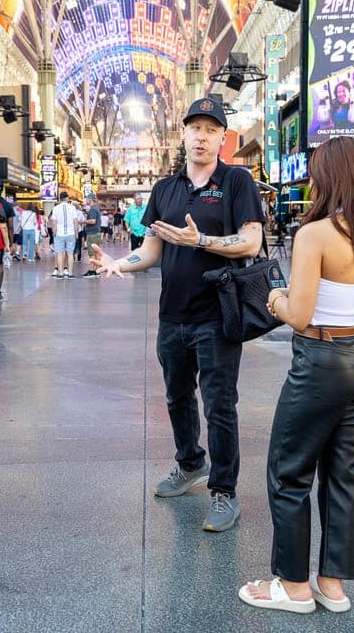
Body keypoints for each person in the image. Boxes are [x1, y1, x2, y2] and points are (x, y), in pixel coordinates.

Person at [90, 98, 265, 532]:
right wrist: (118, 263)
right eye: (195, 128)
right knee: (177, 397)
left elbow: (251, 243)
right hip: (173, 316)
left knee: (220, 405)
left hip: (218, 315)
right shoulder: (165, 190)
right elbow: (150, 250)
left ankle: (224, 490)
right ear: (183, 134)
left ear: (222, 138)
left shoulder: (236, 181)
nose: (202, 136)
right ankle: (190, 464)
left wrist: (200, 240)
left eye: (211, 129)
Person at [238, 136, 354, 615]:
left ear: (328, 177)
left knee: (288, 470)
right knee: (344, 474)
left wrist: (272, 297)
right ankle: (332, 585)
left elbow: (298, 315)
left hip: (321, 364)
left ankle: (294, 586)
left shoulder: (315, 234)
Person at [50, 191, 78, 279]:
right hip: (70, 233)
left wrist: (54, 233)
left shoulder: (55, 208)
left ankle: (60, 273)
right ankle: (70, 273)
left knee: (59, 254)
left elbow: (54, 223)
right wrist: (76, 233)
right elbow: (75, 222)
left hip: (59, 234)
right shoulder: (72, 208)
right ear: (67, 198)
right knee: (70, 254)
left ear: (60, 199)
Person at [81, 198, 101, 277]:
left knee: (91, 253)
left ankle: (91, 271)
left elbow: (93, 221)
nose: (86, 201)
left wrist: (82, 221)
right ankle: (96, 271)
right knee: (96, 253)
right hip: (96, 232)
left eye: (87, 199)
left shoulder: (92, 209)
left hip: (92, 233)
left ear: (90, 200)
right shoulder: (96, 208)